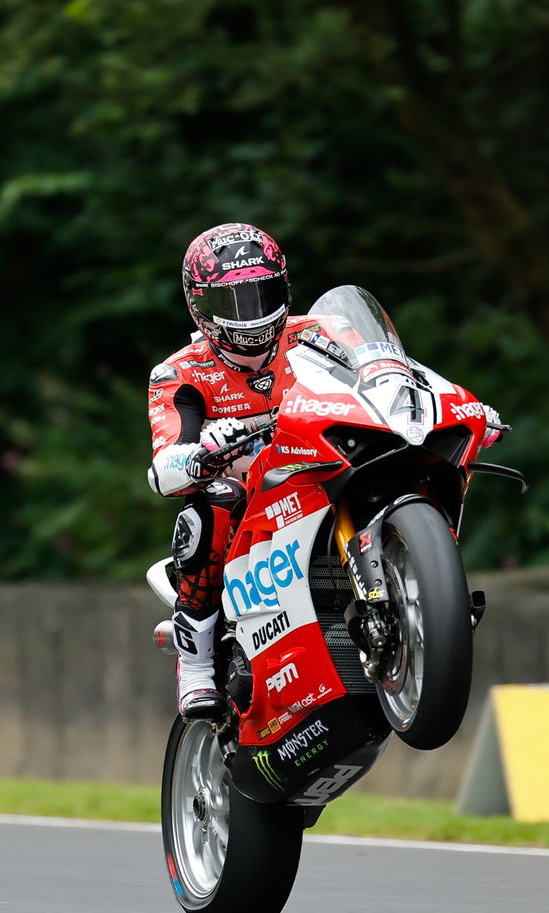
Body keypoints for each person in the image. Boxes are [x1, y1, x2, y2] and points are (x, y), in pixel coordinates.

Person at [147, 222, 501, 720]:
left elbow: (396, 370)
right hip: (253, 496)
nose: (251, 315)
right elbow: (165, 465)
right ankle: (197, 661)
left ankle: (415, 593)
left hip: (321, 464)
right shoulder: (179, 372)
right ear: (199, 305)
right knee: (212, 503)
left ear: (285, 288)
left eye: (263, 294)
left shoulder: (322, 331)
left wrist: (460, 404)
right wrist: (202, 450)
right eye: (233, 303)